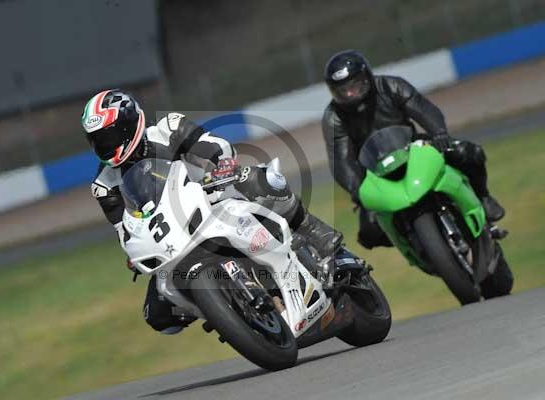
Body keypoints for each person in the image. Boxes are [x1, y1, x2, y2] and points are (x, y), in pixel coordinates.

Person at [81, 89, 343, 333]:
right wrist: (132, 254)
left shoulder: (167, 128)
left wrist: (222, 164)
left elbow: (212, 144)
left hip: (214, 195)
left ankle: (318, 234)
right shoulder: (104, 186)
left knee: (258, 179)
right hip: (173, 233)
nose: (104, 145)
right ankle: (225, 310)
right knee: (157, 314)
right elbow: (124, 230)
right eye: (97, 140)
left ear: (130, 124)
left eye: (109, 136)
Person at [321, 50, 505, 249]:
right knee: (369, 233)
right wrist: (357, 189)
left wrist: (439, 133)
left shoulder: (391, 86)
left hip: (414, 147)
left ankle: (483, 197)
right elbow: (340, 160)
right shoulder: (333, 117)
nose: (349, 94)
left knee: (468, 153)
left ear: (366, 78)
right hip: (374, 169)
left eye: (354, 86)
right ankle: (414, 242)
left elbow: (423, 108)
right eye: (342, 91)